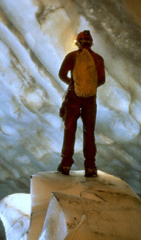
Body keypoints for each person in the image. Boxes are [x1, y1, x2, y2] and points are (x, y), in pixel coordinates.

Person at [57, 30, 105, 177]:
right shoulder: (98, 59)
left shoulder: (72, 56)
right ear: (91, 43)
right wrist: (89, 87)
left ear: (78, 42)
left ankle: (66, 164)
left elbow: (62, 74)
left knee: (69, 130)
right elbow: (102, 80)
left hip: (73, 98)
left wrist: (73, 83)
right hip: (90, 100)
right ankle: (90, 166)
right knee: (89, 132)